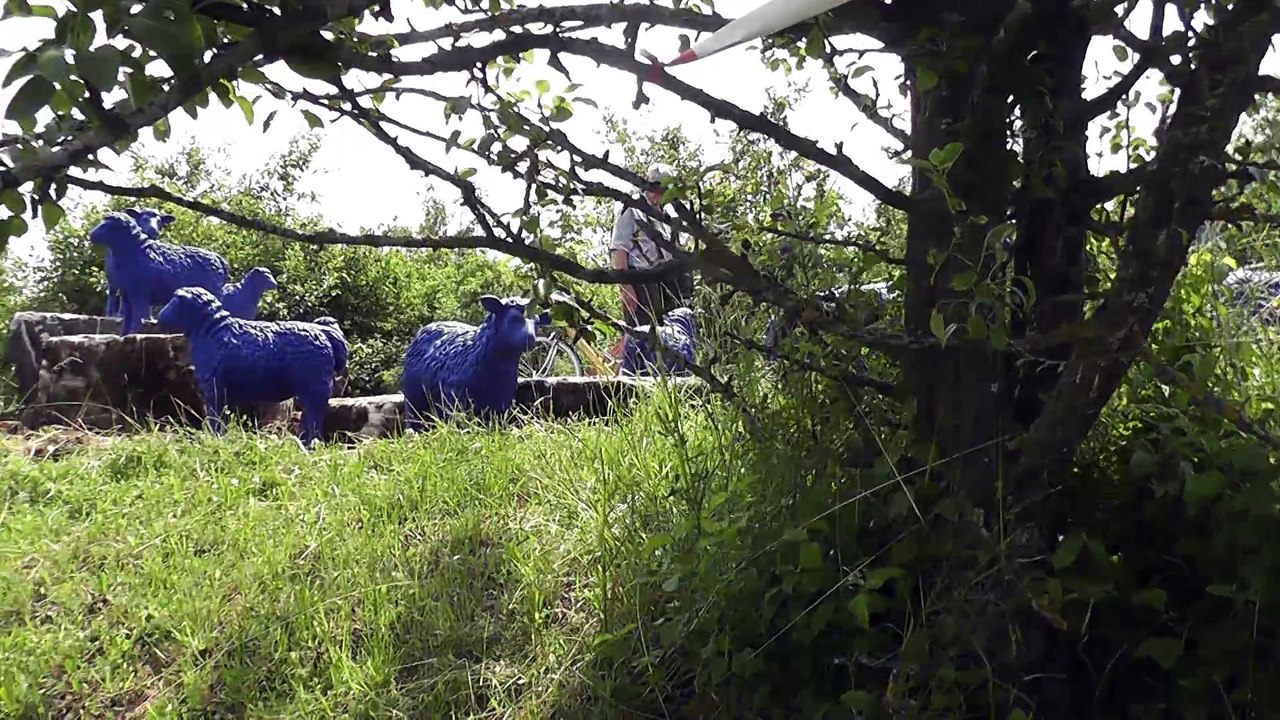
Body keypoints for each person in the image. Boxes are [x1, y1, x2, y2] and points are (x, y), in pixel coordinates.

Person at [607, 165, 694, 362]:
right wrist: (626, 288)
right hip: (641, 281)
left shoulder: (668, 215)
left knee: (671, 337)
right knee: (641, 337)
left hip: (667, 283)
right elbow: (619, 249)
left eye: (662, 189)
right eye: (654, 187)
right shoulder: (631, 209)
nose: (656, 193)